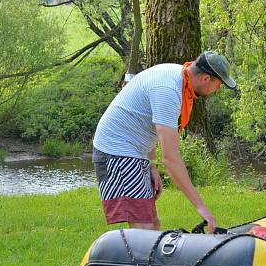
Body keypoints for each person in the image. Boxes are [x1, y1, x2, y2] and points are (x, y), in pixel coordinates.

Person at [92, 51, 236, 233]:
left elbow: (146, 124)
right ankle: (125, 260)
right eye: (219, 84)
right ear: (206, 78)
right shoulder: (169, 91)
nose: (218, 89)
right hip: (116, 152)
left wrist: (151, 165)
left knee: (153, 223)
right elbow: (171, 159)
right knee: (143, 228)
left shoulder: (179, 80)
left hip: (133, 151)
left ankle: (146, 261)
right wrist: (201, 207)